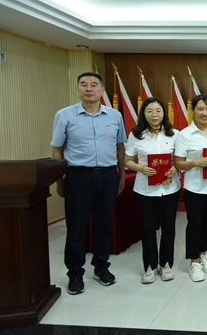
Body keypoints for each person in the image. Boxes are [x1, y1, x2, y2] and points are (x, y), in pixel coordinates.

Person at [51, 72, 126, 294]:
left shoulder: (114, 116)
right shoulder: (64, 115)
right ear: (78, 90)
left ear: (102, 90)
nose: (89, 88)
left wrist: (121, 176)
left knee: (104, 224)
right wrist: (59, 182)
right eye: (83, 85)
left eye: (94, 85)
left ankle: (101, 267)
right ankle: (75, 273)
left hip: (107, 175)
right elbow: (57, 150)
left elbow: (120, 148)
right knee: (77, 226)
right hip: (78, 176)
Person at [125, 97, 180, 284]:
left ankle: (166, 265)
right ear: (144, 114)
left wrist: (175, 168)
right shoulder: (136, 135)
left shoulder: (174, 134)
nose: (154, 115)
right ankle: (149, 266)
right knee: (148, 229)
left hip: (169, 188)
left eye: (158, 111)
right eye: (149, 111)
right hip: (145, 190)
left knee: (168, 228)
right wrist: (141, 168)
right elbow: (127, 160)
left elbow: (180, 159)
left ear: (164, 113)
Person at [175, 94, 207, 282]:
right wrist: (196, 162)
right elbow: (179, 163)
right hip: (194, 188)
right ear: (193, 111)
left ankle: (203, 253)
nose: (205, 113)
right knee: (195, 224)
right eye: (200, 109)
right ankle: (193, 261)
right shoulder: (184, 134)